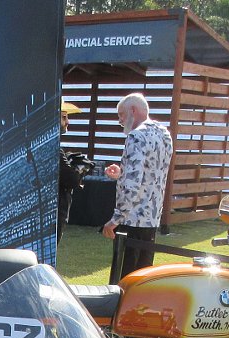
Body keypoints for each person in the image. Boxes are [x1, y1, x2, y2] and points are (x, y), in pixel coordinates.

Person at [101, 92, 173, 283]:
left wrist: (116, 218)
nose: (120, 121)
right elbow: (152, 174)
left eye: (121, 115)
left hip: (132, 220)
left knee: (124, 282)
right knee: (142, 282)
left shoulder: (136, 136)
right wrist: (121, 173)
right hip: (152, 219)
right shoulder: (164, 134)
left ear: (133, 110)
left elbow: (133, 183)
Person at [58, 99, 88, 245]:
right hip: (55, 211)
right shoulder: (55, 150)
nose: (68, 122)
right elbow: (72, 179)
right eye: (64, 117)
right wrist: (81, 168)